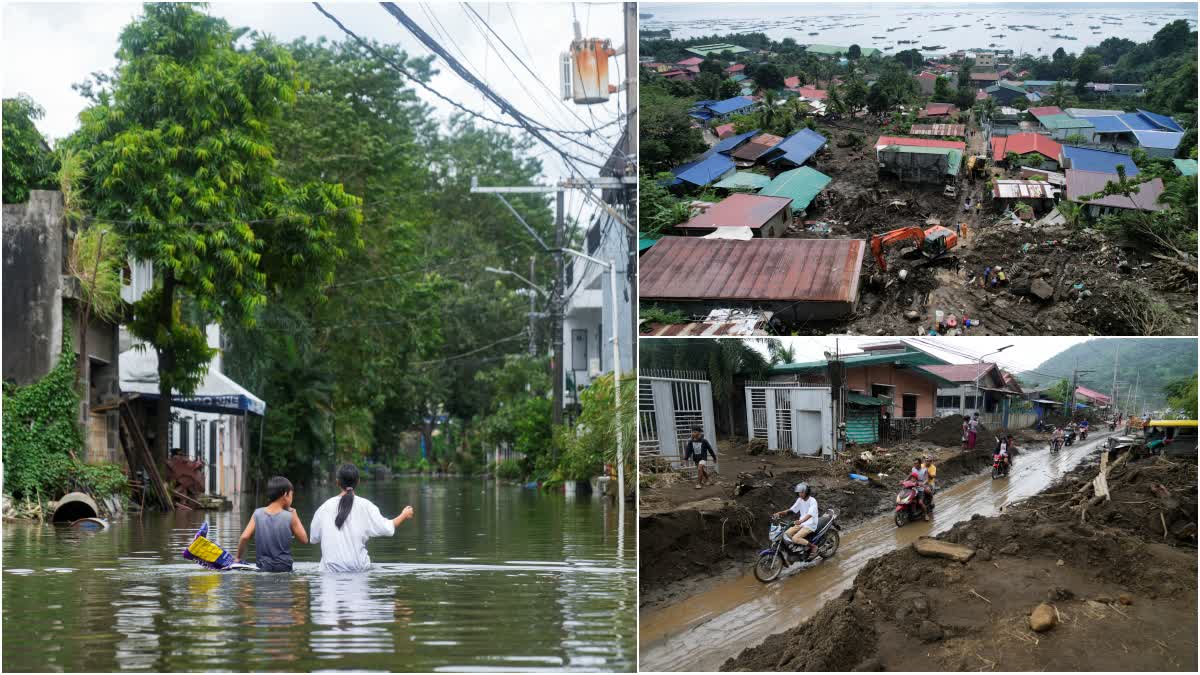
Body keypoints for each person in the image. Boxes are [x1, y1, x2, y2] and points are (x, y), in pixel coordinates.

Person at [310, 464, 415, 572]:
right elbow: (387, 528)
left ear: (337, 482)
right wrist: (404, 514)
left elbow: (314, 538)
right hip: (359, 573)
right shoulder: (366, 506)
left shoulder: (323, 508)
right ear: (358, 481)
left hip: (329, 576)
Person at [236, 476, 309, 572]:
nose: (292, 498)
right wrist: (294, 513)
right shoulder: (290, 516)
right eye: (291, 494)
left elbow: (244, 537)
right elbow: (304, 540)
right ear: (285, 494)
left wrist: (238, 558)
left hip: (263, 567)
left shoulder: (257, 513)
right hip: (284, 568)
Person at [773, 483, 819, 558]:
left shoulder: (812, 501)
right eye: (799, 493)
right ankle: (799, 547)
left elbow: (810, 514)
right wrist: (780, 513)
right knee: (786, 533)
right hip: (801, 523)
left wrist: (801, 521)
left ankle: (813, 546)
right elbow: (792, 509)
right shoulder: (800, 500)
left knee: (795, 538)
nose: (800, 494)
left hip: (810, 524)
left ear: (807, 492)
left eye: (802, 492)